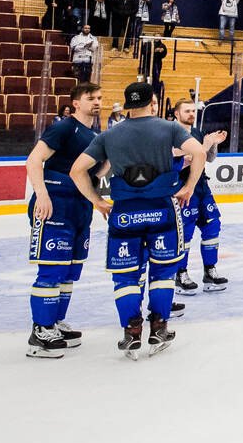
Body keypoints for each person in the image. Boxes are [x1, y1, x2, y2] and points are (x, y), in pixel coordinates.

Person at [67, 81, 206, 360]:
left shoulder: (109, 135)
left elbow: (77, 170)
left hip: (124, 213)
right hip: (162, 210)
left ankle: (131, 331)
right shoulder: (169, 128)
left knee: (126, 276)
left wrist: (97, 200)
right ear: (151, 101)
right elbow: (200, 152)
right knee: (163, 272)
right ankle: (158, 327)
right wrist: (189, 186)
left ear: (128, 105)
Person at [21, 82, 106, 358]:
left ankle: (54, 322)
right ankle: (41, 330)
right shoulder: (64, 127)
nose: (97, 102)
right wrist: (42, 195)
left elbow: (97, 172)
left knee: (70, 271)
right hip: (55, 203)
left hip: (79, 206)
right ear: (75, 103)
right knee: (52, 269)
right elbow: (34, 160)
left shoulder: (95, 134)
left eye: (100, 98)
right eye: (90, 98)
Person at [169, 99, 228, 295]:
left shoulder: (196, 132)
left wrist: (213, 145)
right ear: (177, 114)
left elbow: (207, 158)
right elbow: (176, 163)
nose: (191, 114)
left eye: (193, 111)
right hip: (182, 188)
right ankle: (180, 274)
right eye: (187, 111)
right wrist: (204, 145)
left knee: (213, 226)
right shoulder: (170, 134)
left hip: (202, 187)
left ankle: (210, 271)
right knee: (184, 234)